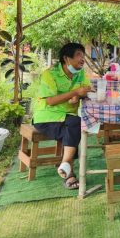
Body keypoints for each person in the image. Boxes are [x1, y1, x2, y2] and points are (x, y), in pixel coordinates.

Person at [32, 43, 91, 189]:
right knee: (75, 125)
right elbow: (50, 101)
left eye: (83, 55)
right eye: (78, 55)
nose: (82, 59)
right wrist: (75, 93)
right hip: (46, 117)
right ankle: (68, 172)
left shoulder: (80, 73)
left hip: (68, 117)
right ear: (66, 58)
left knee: (74, 125)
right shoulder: (49, 74)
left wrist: (78, 96)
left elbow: (87, 89)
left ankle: (66, 167)